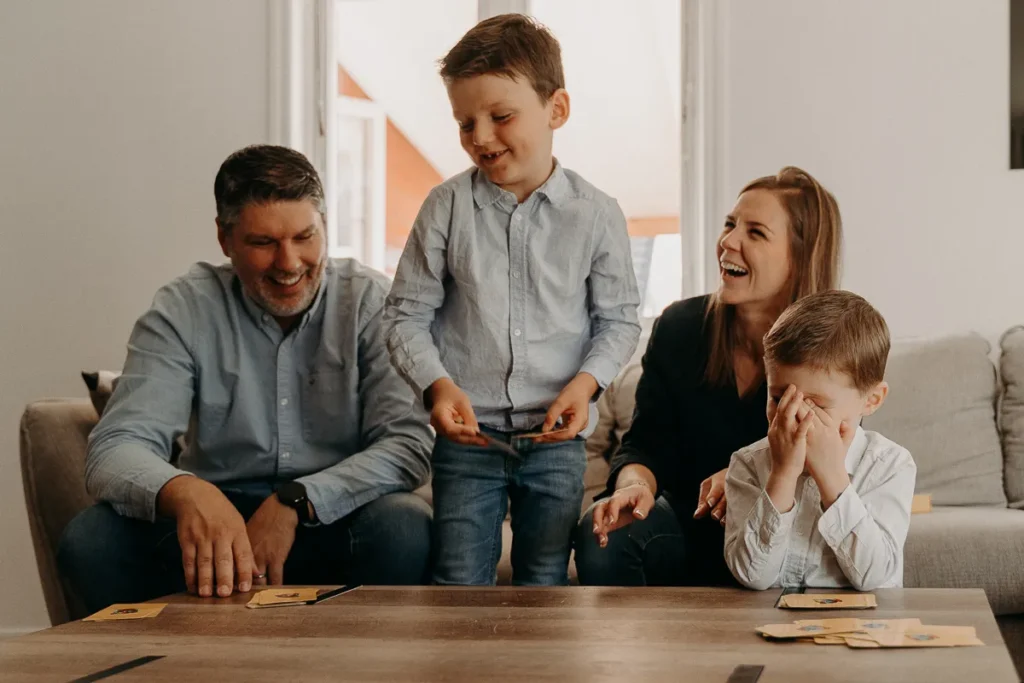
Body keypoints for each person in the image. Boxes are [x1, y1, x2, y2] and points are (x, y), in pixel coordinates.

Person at [58, 145, 433, 613]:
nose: (290, 262)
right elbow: (115, 447)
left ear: (324, 227)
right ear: (225, 238)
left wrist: (298, 501)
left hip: (334, 515)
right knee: (91, 540)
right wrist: (189, 493)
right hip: (213, 528)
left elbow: (407, 445)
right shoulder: (183, 309)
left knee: (404, 528)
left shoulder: (370, 302)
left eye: (305, 236)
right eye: (263, 243)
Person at [384, 14, 641, 586]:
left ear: (557, 110)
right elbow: (404, 314)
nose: (480, 136)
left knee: (545, 581)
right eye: (464, 122)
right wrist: (437, 384)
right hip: (468, 442)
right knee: (457, 580)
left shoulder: (598, 214)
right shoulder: (445, 207)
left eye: (500, 117)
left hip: (556, 444)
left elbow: (618, 321)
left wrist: (586, 385)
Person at [575, 166, 841, 586]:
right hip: (687, 526)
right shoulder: (680, 327)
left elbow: (835, 454)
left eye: (755, 233)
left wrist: (744, 474)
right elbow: (646, 443)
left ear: (800, 257)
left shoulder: (832, 349)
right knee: (604, 531)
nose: (728, 242)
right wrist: (632, 486)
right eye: (730, 225)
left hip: (782, 533)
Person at [724, 290, 915, 590]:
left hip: (860, 629)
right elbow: (752, 576)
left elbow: (875, 576)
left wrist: (833, 478)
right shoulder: (748, 464)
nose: (794, 416)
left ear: (871, 400)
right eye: (778, 398)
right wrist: (783, 475)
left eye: (816, 406)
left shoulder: (890, 465)